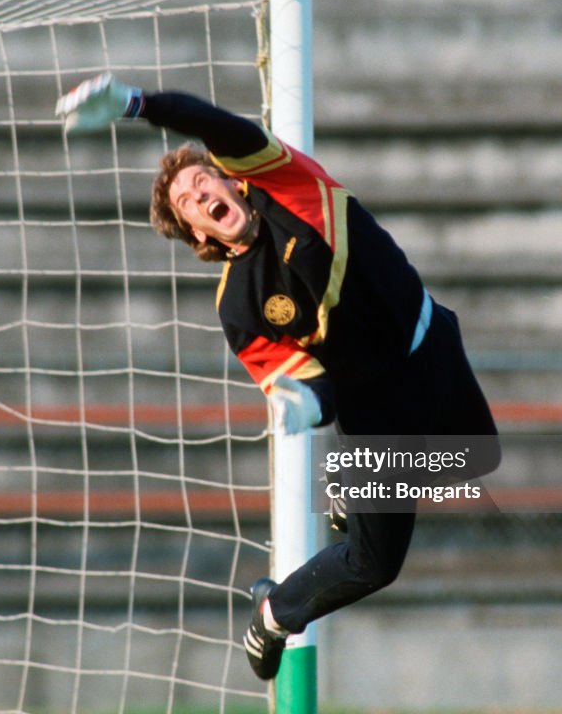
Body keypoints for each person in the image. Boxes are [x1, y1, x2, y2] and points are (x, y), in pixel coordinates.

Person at [56, 74, 500, 681]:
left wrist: (139, 104)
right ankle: (274, 611)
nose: (200, 194)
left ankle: (346, 484)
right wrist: (307, 405)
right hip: (374, 409)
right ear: (198, 233)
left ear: (229, 179)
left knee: (478, 459)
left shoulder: (285, 184)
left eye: (201, 180)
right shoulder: (238, 305)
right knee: (375, 566)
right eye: (188, 202)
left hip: (430, 338)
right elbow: (304, 383)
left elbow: (215, 125)